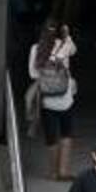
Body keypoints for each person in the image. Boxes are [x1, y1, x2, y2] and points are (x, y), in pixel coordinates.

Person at [27, 20, 77, 181]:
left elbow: (33, 74)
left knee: (51, 136)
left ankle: (53, 173)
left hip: (47, 100)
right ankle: (64, 171)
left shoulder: (36, 48)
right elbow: (74, 50)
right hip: (66, 98)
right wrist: (67, 35)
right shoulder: (65, 46)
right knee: (66, 133)